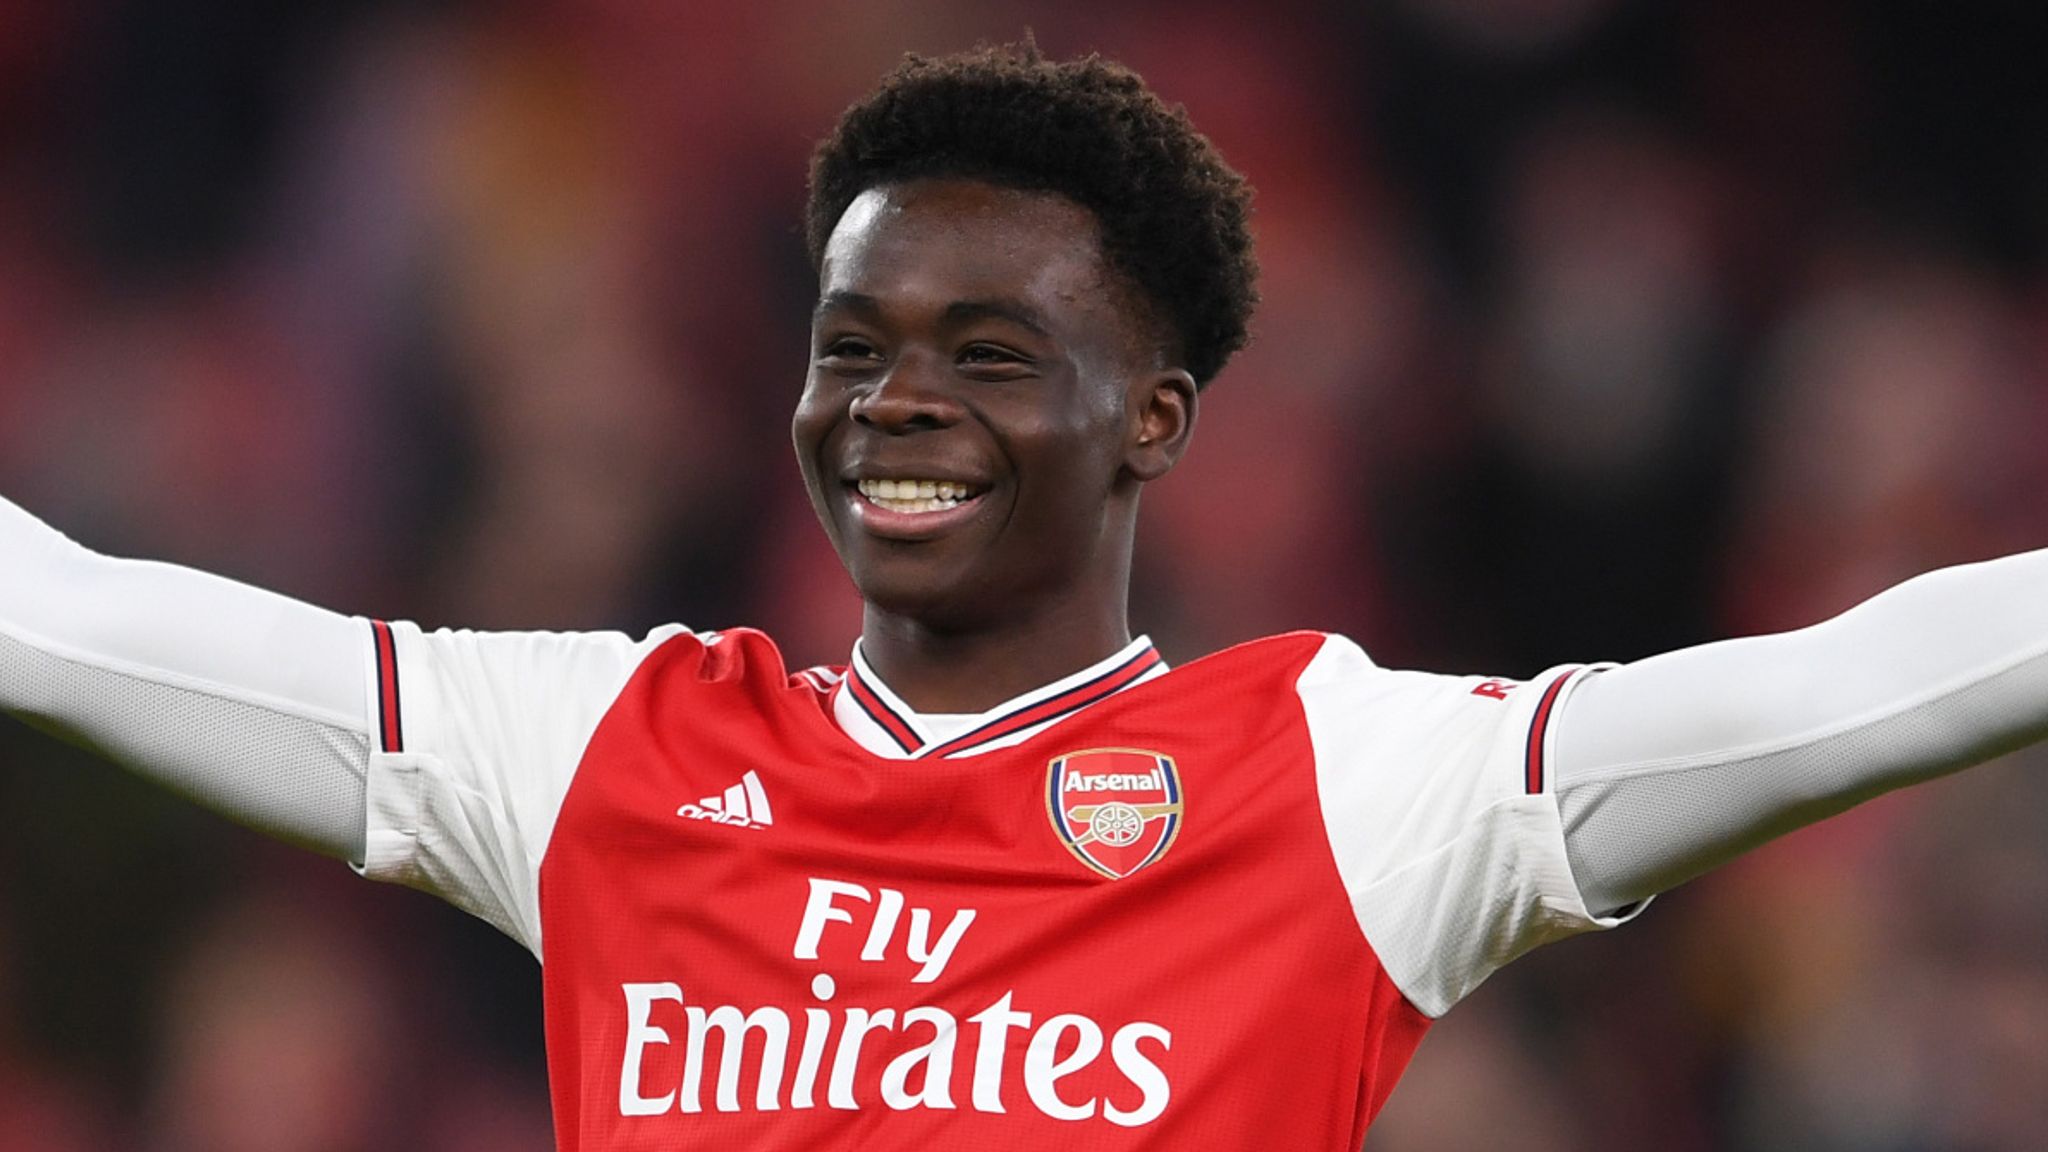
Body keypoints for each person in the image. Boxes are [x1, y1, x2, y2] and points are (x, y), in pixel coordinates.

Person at [4, 42, 2048, 1151]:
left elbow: (1848, 692)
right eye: (855, 339)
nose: (901, 399)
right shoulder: (615, 753)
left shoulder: (1333, 780)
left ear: (1152, 418)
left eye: (991, 352)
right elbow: (74, 622)